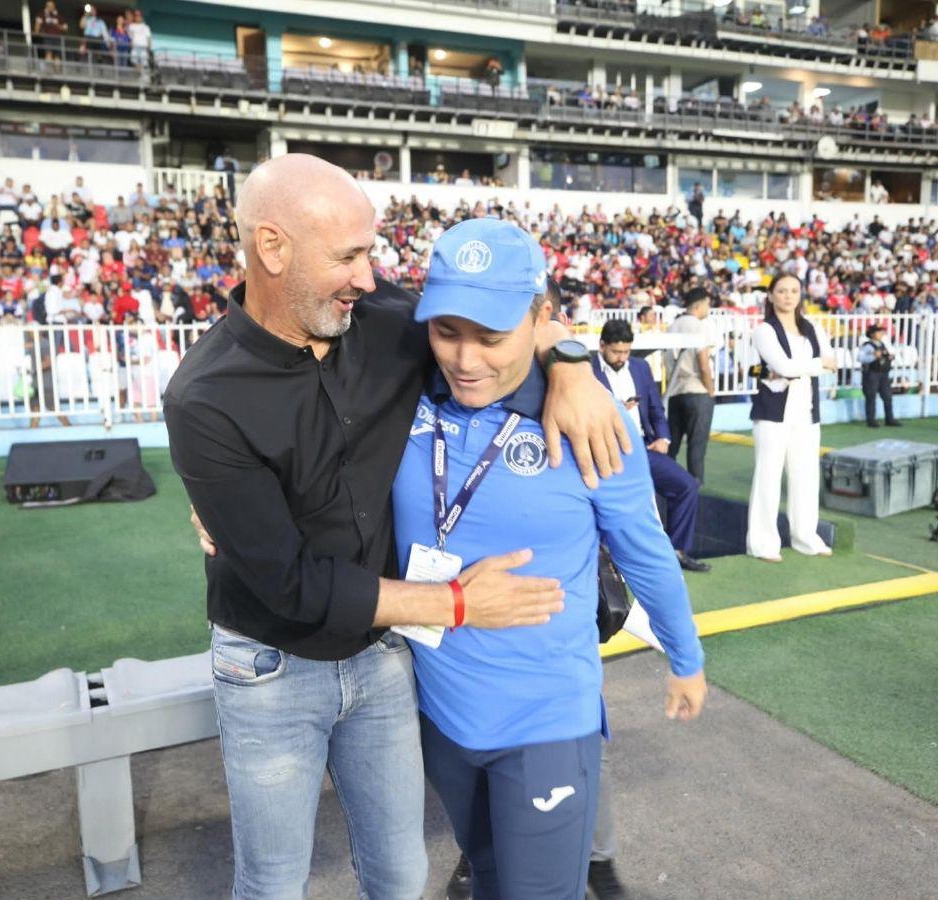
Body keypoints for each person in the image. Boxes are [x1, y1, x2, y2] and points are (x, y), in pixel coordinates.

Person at [164, 154, 631, 900]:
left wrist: (573, 364)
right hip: (270, 666)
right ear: (273, 248)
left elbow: (509, 318)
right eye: (348, 256)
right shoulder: (202, 397)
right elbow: (289, 585)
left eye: (369, 252)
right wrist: (453, 607)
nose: (369, 277)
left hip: (384, 655)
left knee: (402, 873)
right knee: (275, 882)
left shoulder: (383, 323)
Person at [393, 217, 705, 900]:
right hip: (440, 715)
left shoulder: (590, 420)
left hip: (545, 723)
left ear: (540, 319)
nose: (465, 359)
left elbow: (646, 551)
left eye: (491, 336)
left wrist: (686, 659)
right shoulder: (403, 391)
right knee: (487, 880)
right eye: (448, 332)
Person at [594, 318, 710, 573]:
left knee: (687, 486)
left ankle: (677, 551)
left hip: (643, 447)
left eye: (626, 351)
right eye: (616, 351)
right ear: (602, 346)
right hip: (607, 449)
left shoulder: (640, 367)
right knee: (607, 503)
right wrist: (615, 411)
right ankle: (603, 565)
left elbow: (656, 407)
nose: (621, 357)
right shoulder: (588, 371)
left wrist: (664, 437)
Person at [746, 274, 838, 562]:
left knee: (806, 477)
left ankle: (805, 537)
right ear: (771, 295)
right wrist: (814, 365)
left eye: (794, 291)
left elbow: (832, 362)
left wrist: (800, 368)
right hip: (773, 413)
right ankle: (762, 543)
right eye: (782, 291)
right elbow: (783, 366)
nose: (788, 296)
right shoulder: (764, 330)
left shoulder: (812, 327)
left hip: (806, 412)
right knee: (768, 478)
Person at [665, 287, 715, 484]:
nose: (708, 308)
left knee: (672, 445)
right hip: (696, 390)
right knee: (697, 447)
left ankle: (665, 488)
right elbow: (703, 364)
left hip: (675, 391)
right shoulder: (699, 327)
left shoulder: (672, 326)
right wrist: (710, 389)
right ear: (699, 304)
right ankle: (695, 489)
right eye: (708, 303)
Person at [858, 323, 901, 428]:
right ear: (872, 334)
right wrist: (873, 356)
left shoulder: (882, 344)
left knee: (887, 396)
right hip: (871, 374)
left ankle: (889, 418)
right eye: (879, 331)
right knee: (871, 397)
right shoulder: (868, 346)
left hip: (883, 373)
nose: (882, 333)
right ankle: (871, 420)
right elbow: (860, 358)